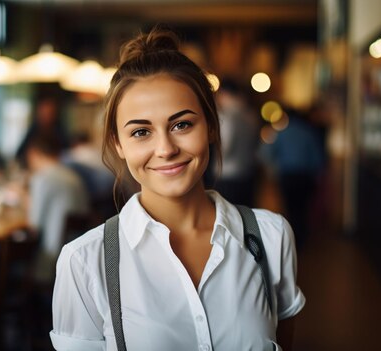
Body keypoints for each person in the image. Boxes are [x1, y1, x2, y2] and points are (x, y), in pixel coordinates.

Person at [51, 28, 305, 351]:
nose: (166, 148)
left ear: (211, 125)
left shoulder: (271, 237)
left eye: (182, 124)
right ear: (118, 144)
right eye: (141, 132)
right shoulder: (85, 263)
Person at [26, 136, 90, 282]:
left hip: (51, 255)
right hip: (79, 251)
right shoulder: (73, 176)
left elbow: (34, 224)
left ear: (33, 154)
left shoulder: (42, 178)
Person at [262, 108, 324, 250]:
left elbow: (266, 152)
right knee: (303, 208)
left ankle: (291, 238)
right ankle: (302, 238)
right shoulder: (309, 132)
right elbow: (318, 159)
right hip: (305, 177)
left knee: (289, 207)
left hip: (287, 175)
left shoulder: (282, 133)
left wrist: (273, 168)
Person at [213, 78, 261, 207]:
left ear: (224, 94)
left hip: (228, 173)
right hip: (248, 171)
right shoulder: (251, 115)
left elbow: (225, 147)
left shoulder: (225, 116)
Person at [16, 96, 69, 165]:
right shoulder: (33, 130)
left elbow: (66, 153)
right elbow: (20, 154)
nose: (46, 116)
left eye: (49, 113)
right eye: (43, 112)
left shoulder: (60, 131)